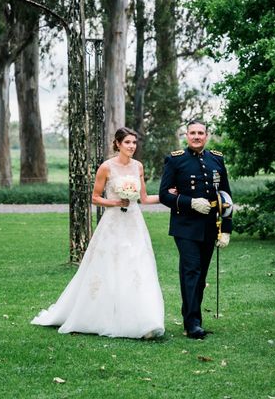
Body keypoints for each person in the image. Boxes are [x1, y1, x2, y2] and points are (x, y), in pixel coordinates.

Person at [31, 127, 164, 339]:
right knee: (108, 267)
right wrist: (114, 202)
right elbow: (95, 197)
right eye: (128, 142)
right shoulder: (107, 167)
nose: (132, 146)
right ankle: (101, 316)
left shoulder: (138, 166)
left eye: (134, 143)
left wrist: (169, 196)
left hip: (133, 222)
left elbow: (145, 198)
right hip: (112, 222)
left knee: (137, 267)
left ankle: (144, 320)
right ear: (118, 144)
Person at [159, 119, 233, 339]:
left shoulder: (216, 160)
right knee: (192, 270)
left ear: (207, 136)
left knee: (200, 276)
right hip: (185, 226)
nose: (197, 136)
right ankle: (193, 323)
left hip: (211, 225)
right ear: (186, 135)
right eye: (193, 133)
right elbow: (164, 195)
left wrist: (226, 228)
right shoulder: (175, 160)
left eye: (201, 132)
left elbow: (226, 198)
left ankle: (190, 316)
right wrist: (189, 202)